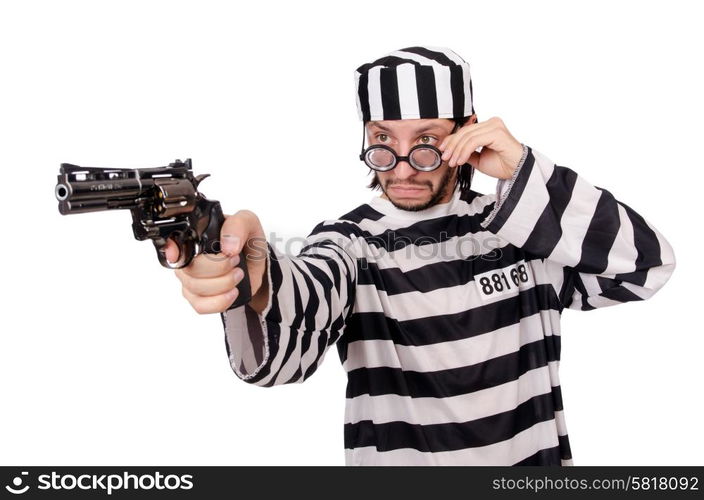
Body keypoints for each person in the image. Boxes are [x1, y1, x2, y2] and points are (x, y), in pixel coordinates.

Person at [164, 46, 675, 465]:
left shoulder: (527, 227)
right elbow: (276, 357)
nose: (402, 168)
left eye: (427, 141)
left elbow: (645, 267)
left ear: (467, 132)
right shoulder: (350, 242)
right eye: (383, 140)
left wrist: (522, 168)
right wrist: (253, 273)